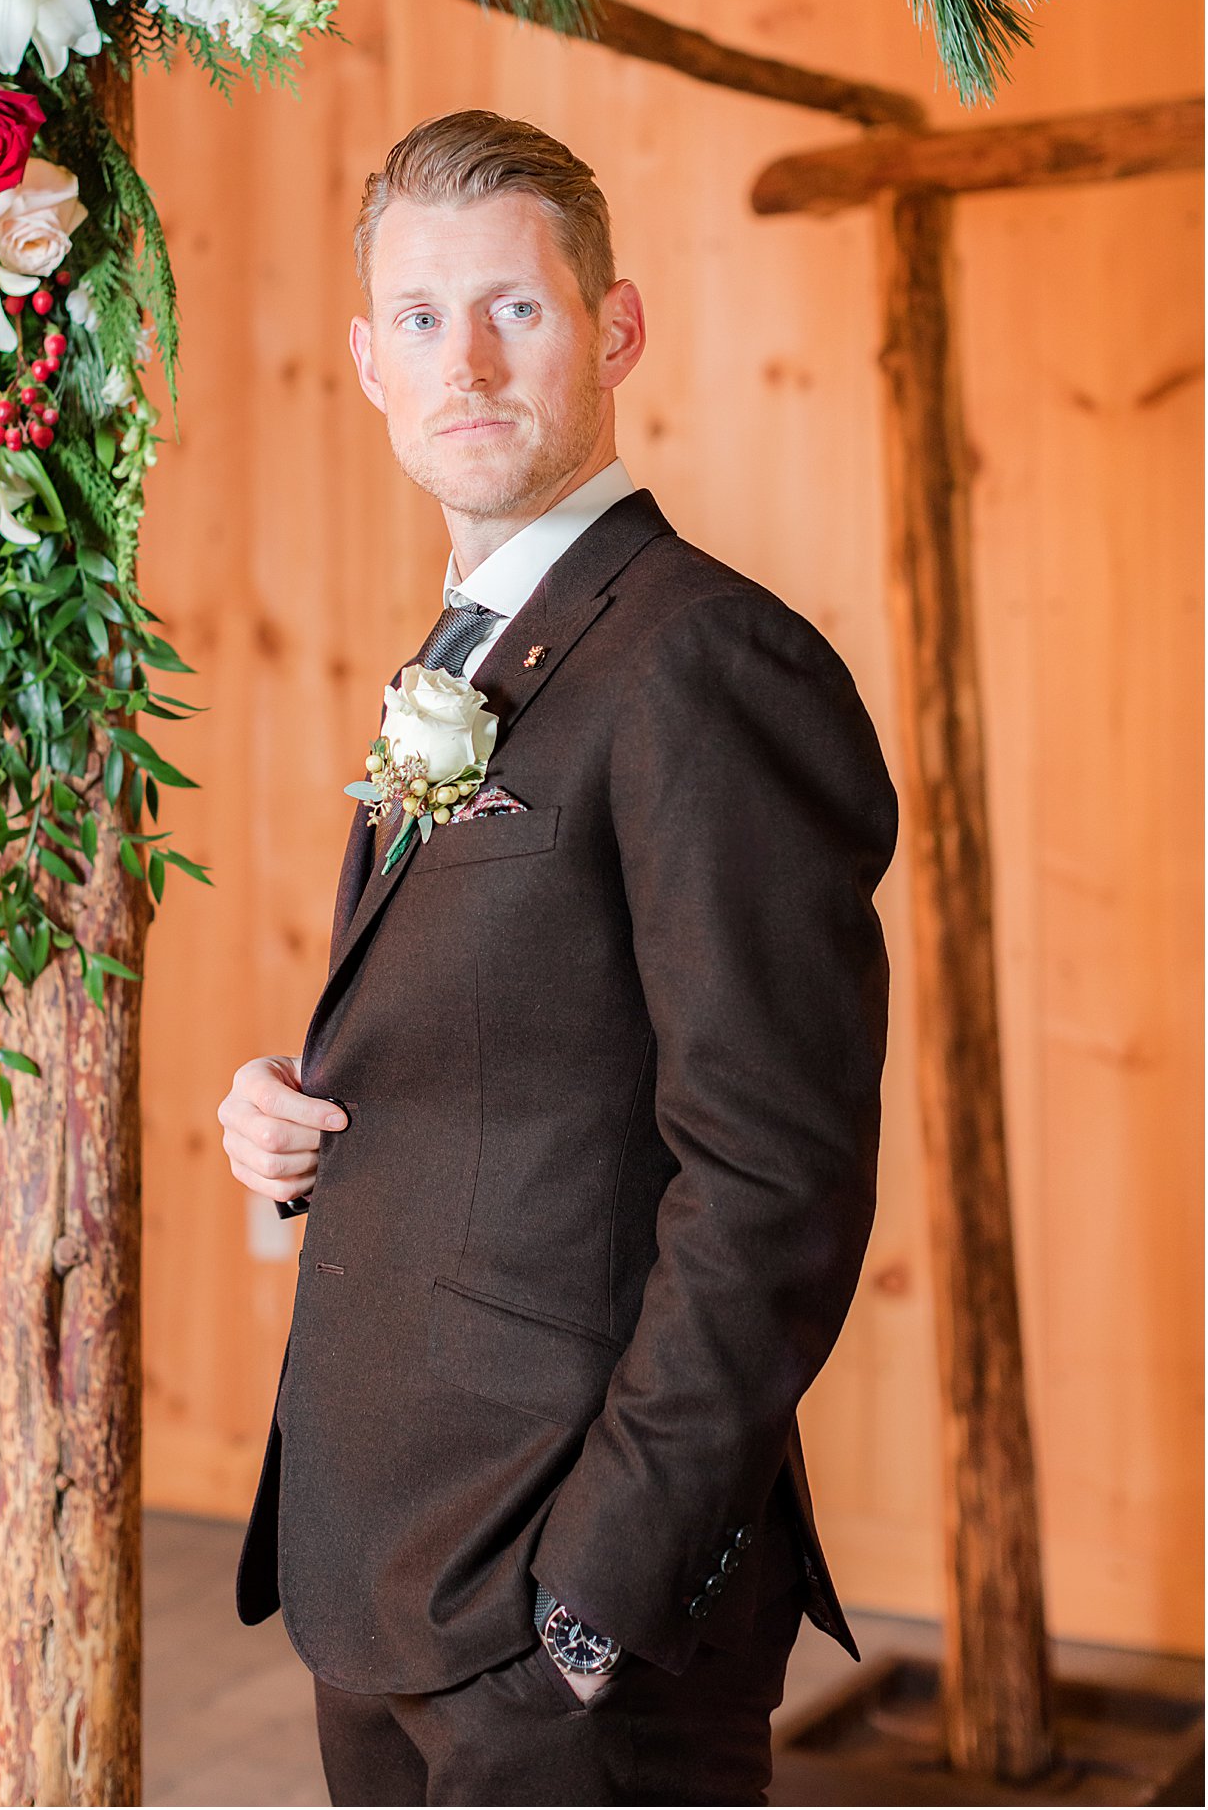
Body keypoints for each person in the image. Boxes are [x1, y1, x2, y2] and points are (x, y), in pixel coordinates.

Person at [218, 109, 899, 1806]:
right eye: (425, 318)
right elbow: (504, 1050)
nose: (469, 360)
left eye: (516, 309)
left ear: (614, 328)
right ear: (371, 363)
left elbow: (776, 1175)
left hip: (560, 1621)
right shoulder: (478, 650)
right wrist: (285, 1131)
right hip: (379, 1567)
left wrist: (594, 1596)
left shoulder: (703, 659)